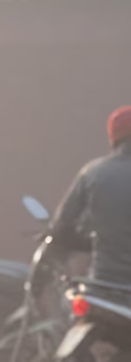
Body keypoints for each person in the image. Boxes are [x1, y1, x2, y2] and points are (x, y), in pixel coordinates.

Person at [49, 105, 131, 288]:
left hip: (105, 287)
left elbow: (62, 226)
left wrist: (88, 243)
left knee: (69, 305)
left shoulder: (93, 173)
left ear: (114, 137)